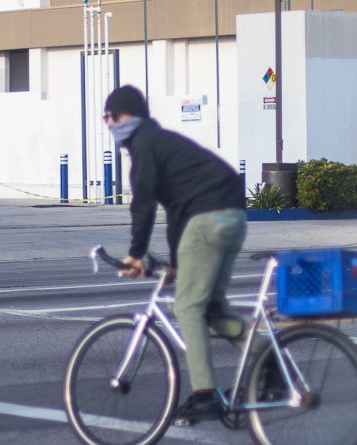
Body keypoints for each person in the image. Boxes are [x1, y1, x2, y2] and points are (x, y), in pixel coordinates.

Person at [103, 85, 249, 424]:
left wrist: (135, 254)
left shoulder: (146, 146)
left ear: (129, 117)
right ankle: (269, 369)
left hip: (208, 219)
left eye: (112, 116)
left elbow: (143, 205)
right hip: (232, 216)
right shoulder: (163, 142)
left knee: (186, 307)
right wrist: (177, 265)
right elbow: (178, 212)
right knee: (211, 310)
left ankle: (204, 396)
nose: (109, 123)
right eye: (106, 118)